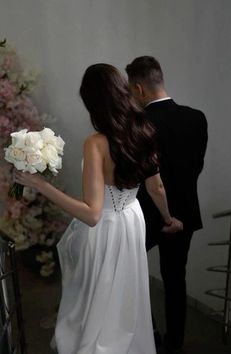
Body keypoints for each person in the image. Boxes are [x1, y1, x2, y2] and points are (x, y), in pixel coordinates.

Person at [14, 63, 183, 354]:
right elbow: (157, 187)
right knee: (125, 295)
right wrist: (168, 218)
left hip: (104, 228)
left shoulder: (95, 143)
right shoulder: (144, 130)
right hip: (133, 221)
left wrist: (41, 186)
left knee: (95, 297)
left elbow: (92, 214)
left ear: (94, 104)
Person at [126, 56, 208, 354]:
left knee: (130, 274)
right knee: (176, 280)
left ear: (139, 88)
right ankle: (175, 345)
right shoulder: (197, 117)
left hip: (146, 212)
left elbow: (140, 175)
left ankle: (148, 334)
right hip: (184, 212)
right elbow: (195, 167)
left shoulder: (138, 123)